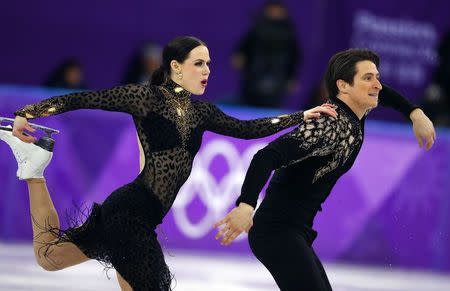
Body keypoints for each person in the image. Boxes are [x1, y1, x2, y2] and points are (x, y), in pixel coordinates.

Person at [0, 36, 338, 291]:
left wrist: (301, 115)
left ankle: (34, 169)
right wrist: (26, 113)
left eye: (209, 64)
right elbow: (85, 98)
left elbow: (248, 129)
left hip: (137, 214)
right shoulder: (146, 98)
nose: (207, 70)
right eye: (198, 63)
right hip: (131, 213)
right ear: (175, 66)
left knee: (49, 257)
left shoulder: (202, 112)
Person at [214, 49, 436, 291]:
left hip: (295, 231)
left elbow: (386, 94)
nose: (377, 85)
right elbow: (265, 157)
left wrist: (416, 113)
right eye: (368, 78)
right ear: (343, 86)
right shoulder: (327, 124)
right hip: (277, 232)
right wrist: (246, 205)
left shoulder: (355, 109)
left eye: (377, 77)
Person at [232, 0, 301, 108]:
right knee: (249, 104)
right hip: (254, 75)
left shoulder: (289, 34)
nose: (275, 12)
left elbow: (294, 57)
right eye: (272, 9)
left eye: (277, 10)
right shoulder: (257, 29)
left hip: (278, 77)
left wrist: (291, 77)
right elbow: (245, 46)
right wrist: (240, 56)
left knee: (272, 105)